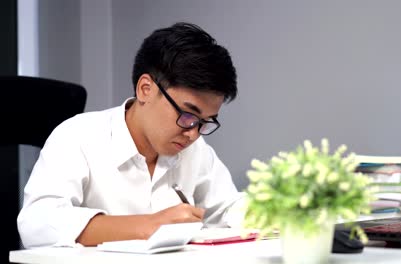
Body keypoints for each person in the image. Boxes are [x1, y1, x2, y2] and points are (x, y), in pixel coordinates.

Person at [17, 22, 245, 248]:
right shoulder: (78, 136)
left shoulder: (195, 150)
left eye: (205, 122)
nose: (193, 133)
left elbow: (227, 209)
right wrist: (150, 225)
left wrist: (272, 207)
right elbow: (38, 223)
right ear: (145, 89)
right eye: (187, 114)